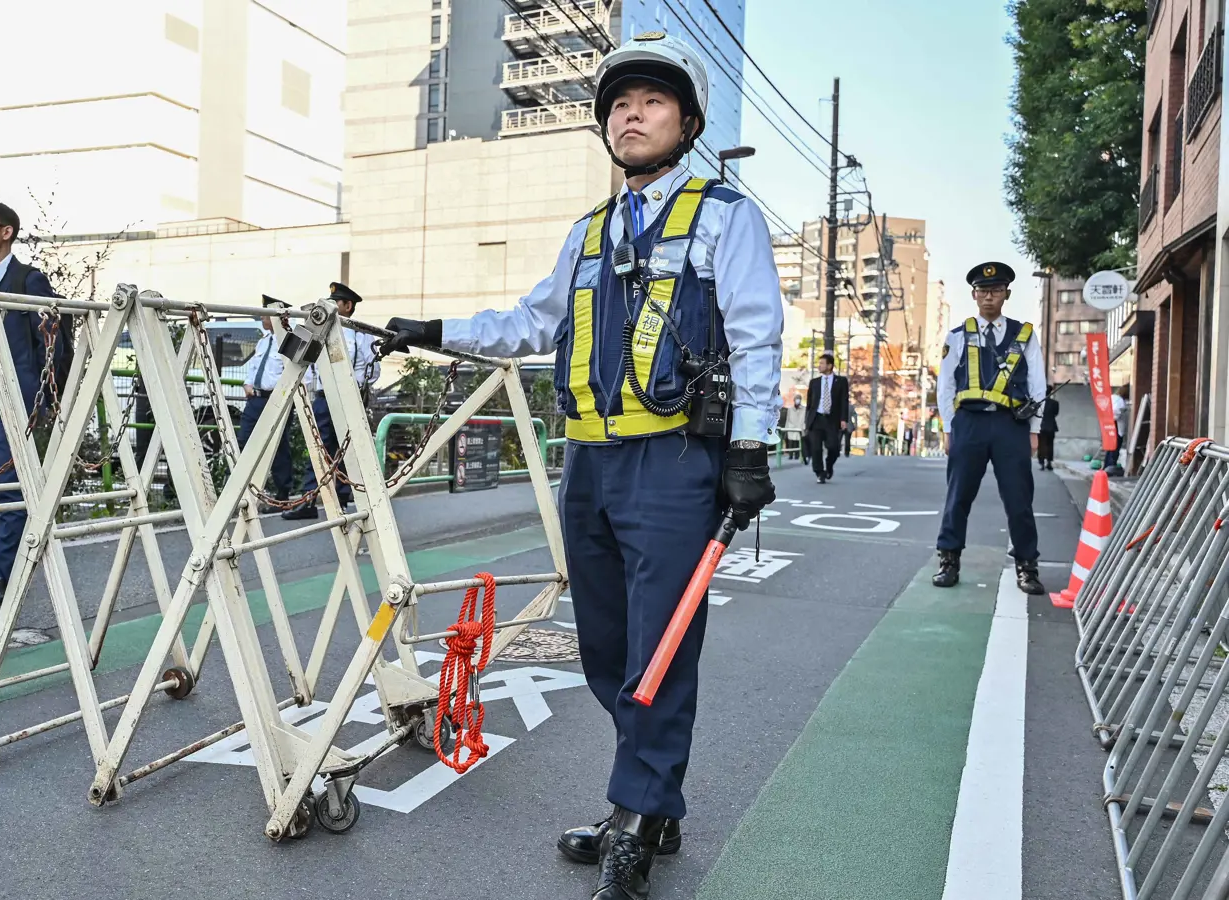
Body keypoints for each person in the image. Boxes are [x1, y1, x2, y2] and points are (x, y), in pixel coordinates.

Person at [379, 32, 781, 900]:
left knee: (659, 652)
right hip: (590, 463)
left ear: (688, 120)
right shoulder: (590, 230)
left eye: (652, 102)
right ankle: (657, 799)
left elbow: (755, 338)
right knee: (604, 648)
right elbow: (530, 324)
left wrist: (751, 448)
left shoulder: (723, 214)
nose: (631, 116)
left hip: (675, 462)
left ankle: (634, 821)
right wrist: (436, 331)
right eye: (619, 105)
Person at [0, 201, 65, 607]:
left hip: (16, 395)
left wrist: (40, 397)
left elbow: (51, 341)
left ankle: (6, 573)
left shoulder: (29, 280)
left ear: (6, 232)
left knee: (10, 489)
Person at [932, 261, 1045, 595]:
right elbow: (945, 386)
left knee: (1019, 498)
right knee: (958, 495)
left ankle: (1027, 565)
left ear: (1006, 294)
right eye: (983, 290)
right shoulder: (957, 335)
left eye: (996, 290)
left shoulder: (1025, 335)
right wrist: (949, 429)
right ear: (973, 294)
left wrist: (1035, 429)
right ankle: (948, 560)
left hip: (1012, 425)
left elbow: (1038, 384)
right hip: (968, 423)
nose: (989, 296)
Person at [282, 282, 378, 521]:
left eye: (337, 302)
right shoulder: (321, 329)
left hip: (349, 397)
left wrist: (350, 383)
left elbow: (372, 368)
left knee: (347, 449)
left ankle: (344, 500)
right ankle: (309, 499)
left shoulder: (361, 334)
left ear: (348, 306)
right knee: (319, 448)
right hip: (325, 398)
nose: (332, 306)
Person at [239, 297, 297, 509]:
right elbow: (254, 367)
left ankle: (282, 493)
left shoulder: (289, 342)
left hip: (276, 401)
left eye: (265, 314)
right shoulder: (264, 341)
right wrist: (247, 384)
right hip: (256, 399)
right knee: (245, 441)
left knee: (278, 447)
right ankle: (245, 488)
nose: (262, 317)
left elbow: (296, 373)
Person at [804, 353, 848, 484]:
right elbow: (809, 403)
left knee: (834, 447)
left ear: (830, 366)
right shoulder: (814, 382)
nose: (820, 366)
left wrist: (843, 419)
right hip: (816, 419)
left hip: (832, 420)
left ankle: (829, 465)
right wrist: (807, 421)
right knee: (816, 448)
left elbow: (844, 401)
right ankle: (819, 473)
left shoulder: (841, 381)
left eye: (822, 363)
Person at [1105, 386, 1128, 471]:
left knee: (1110, 446)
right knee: (1115, 446)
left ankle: (1107, 466)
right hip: (1116, 425)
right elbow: (1116, 412)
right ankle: (1111, 466)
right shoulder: (1119, 400)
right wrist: (1122, 412)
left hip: (1108, 425)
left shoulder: (1112, 397)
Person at [1036, 394, 1059, 470]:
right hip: (1051, 426)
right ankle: (1049, 462)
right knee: (1050, 445)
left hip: (1041, 426)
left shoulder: (1039, 402)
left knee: (1041, 445)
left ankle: (1041, 463)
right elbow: (1056, 413)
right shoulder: (1055, 403)